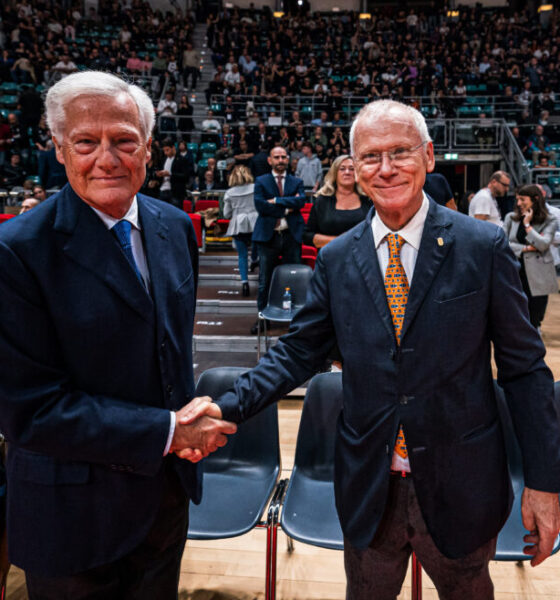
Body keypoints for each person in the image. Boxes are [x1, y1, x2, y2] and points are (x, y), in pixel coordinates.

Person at [181, 100, 560, 600]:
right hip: (369, 481)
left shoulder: (481, 245)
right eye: (370, 157)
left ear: (428, 156)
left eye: (400, 152)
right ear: (354, 169)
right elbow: (298, 352)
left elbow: (526, 372)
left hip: (461, 479)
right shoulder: (338, 259)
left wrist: (545, 481)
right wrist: (222, 408)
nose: (385, 169)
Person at [0, 71, 237, 600]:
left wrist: (185, 428)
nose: (106, 158)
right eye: (86, 142)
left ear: (148, 149)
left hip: (163, 499)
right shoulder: (16, 250)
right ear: (59, 150)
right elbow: (30, 410)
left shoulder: (176, 226)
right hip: (72, 514)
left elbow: (169, 354)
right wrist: (168, 432)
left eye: (124, 141)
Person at [250, 145, 306, 334]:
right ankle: (262, 318)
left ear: (288, 159)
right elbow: (261, 206)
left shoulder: (296, 181)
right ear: (270, 160)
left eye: (283, 157)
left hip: (291, 236)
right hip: (269, 236)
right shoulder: (261, 181)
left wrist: (277, 201)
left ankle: (296, 320)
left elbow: (301, 201)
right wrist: (287, 207)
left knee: (295, 278)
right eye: (277, 157)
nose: (281, 160)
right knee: (265, 280)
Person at [503, 185, 558, 329]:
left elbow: (543, 245)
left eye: (522, 199)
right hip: (514, 272)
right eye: (517, 200)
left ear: (536, 199)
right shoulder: (511, 218)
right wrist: (526, 249)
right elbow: (503, 244)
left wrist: (527, 225)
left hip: (539, 275)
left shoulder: (550, 220)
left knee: (535, 318)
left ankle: (533, 347)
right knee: (514, 315)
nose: (519, 203)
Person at [303, 155, 372, 249]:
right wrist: (341, 241)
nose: (347, 172)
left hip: (363, 257)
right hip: (330, 258)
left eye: (352, 169)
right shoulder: (322, 201)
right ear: (335, 173)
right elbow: (308, 236)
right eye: (342, 169)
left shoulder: (368, 200)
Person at [222, 165, 258, 297]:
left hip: (238, 225)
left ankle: (245, 283)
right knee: (256, 245)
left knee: (242, 255)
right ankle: (254, 259)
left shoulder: (229, 193)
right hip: (254, 222)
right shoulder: (255, 188)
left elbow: (226, 214)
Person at [157, 138, 194, 208]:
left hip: (175, 193)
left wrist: (170, 174)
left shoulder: (182, 159)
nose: (165, 153)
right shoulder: (163, 159)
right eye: (164, 150)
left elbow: (186, 177)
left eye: (167, 150)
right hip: (162, 190)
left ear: (173, 147)